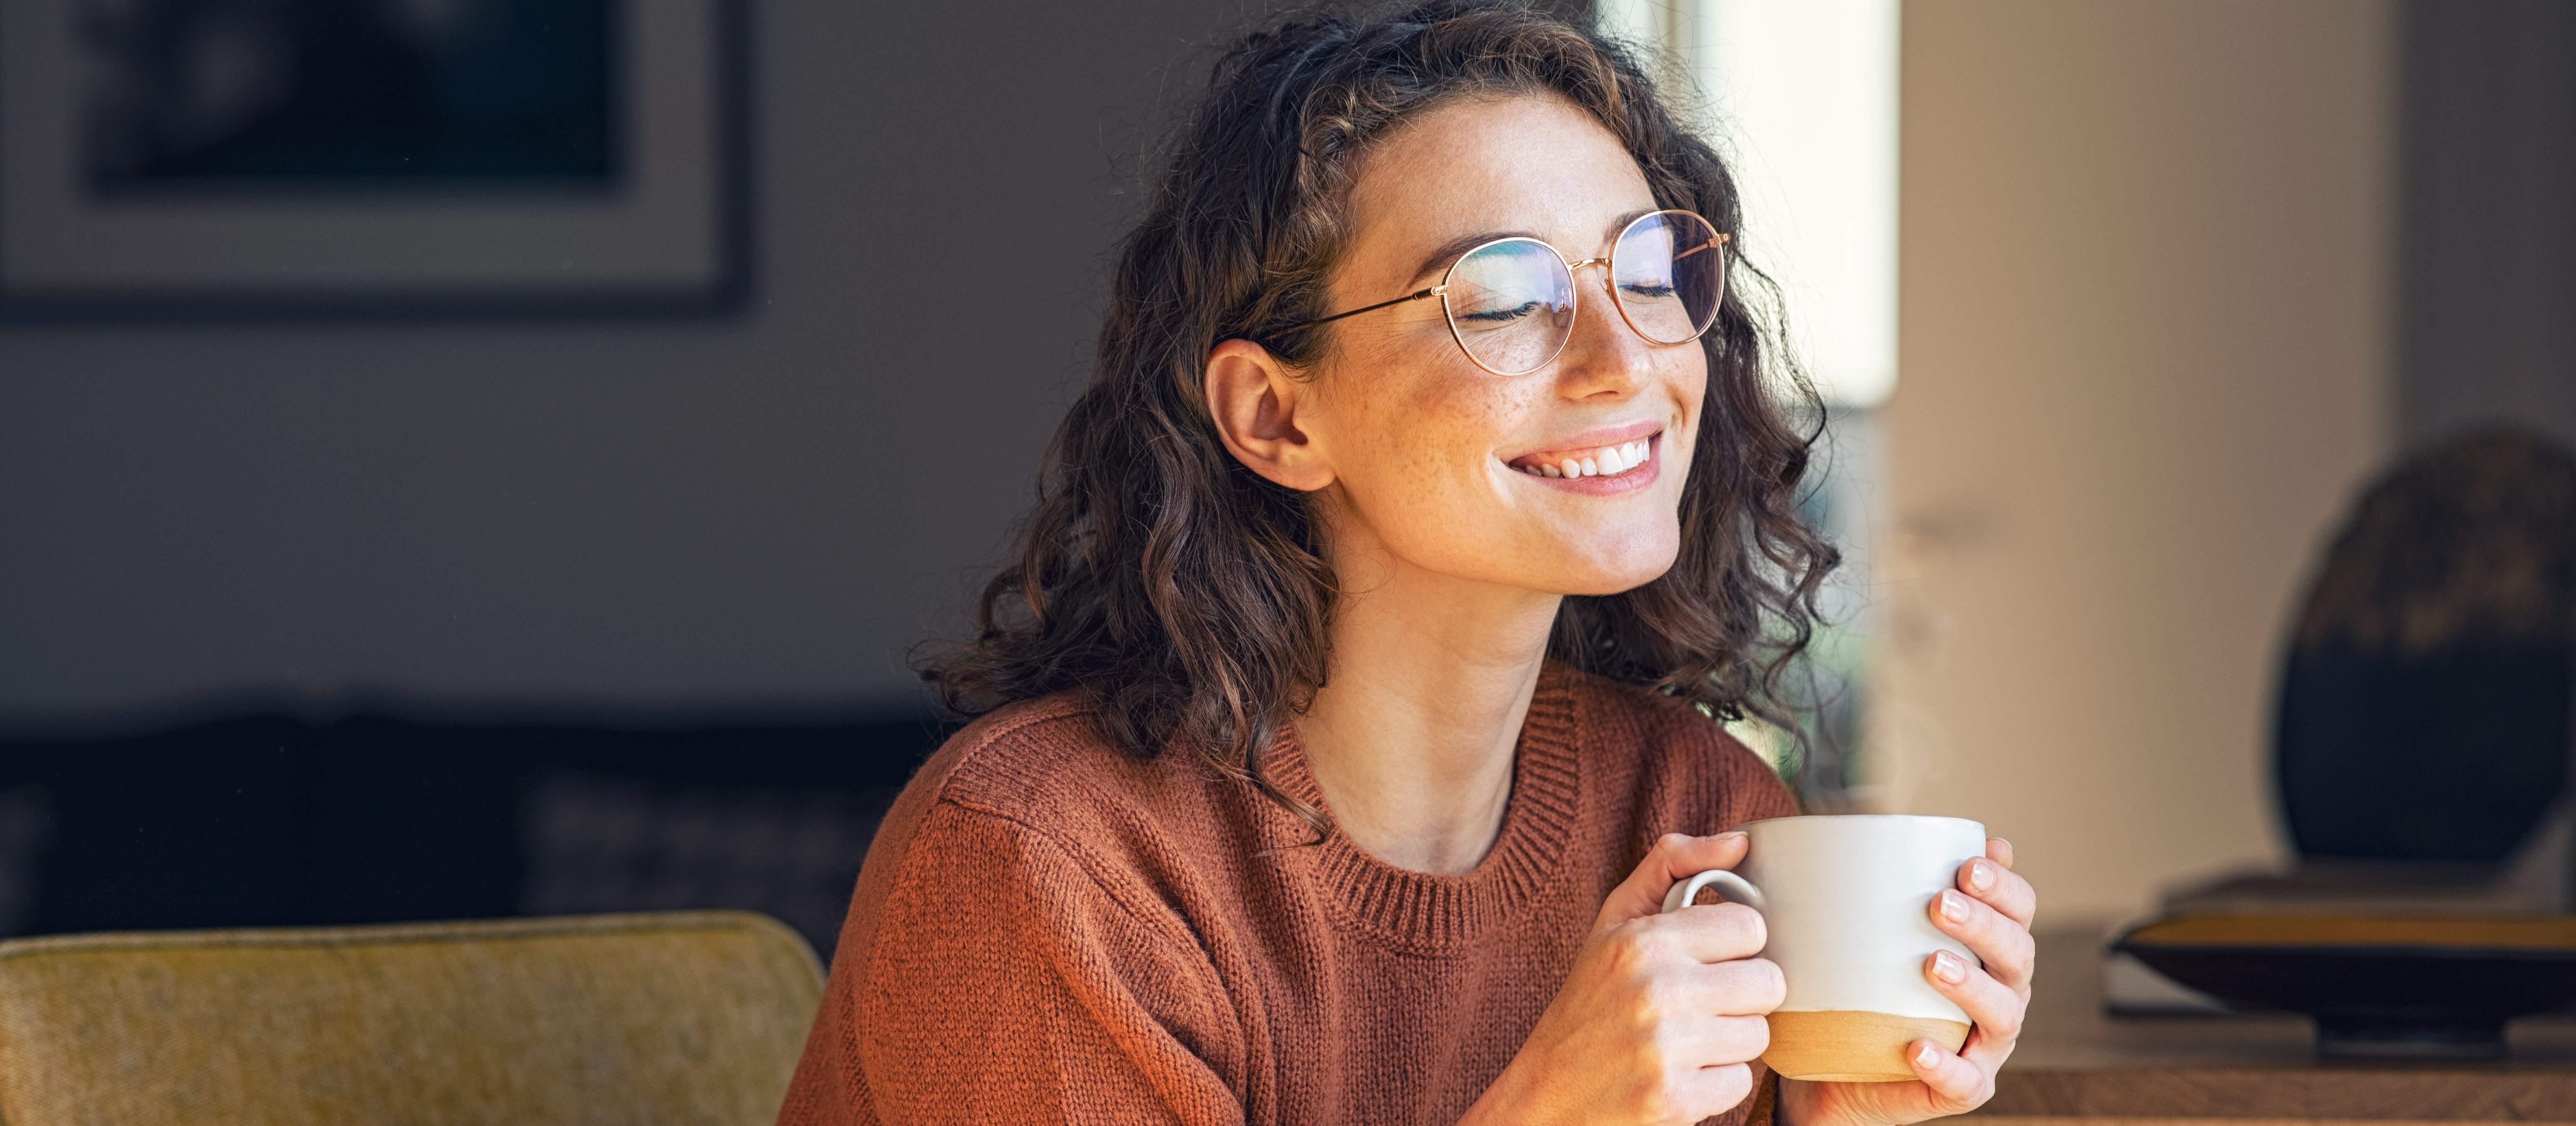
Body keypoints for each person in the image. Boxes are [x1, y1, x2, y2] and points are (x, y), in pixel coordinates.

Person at [778, 2, 2036, 1124]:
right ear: (1278, 418)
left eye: (1648, 271)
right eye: (1501, 300)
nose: (1625, 362)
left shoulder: (1695, 819)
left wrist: (1832, 1121)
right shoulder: (1051, 866)